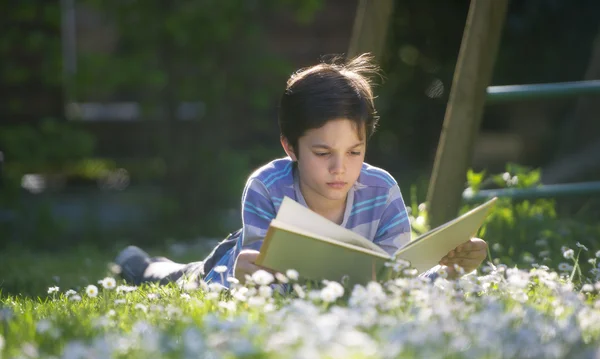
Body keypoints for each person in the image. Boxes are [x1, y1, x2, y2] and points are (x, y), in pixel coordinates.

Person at [115, 53, 488, 288]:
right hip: (228, 269)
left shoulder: (382, 191)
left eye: (355, 151)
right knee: (178, 278)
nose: (340, 168)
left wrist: (450, 268)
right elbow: (262, 281)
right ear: (290, 147)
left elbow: (399, 282)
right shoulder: (266, 187)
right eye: (322, 152)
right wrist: (252, 276)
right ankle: (144, 265)